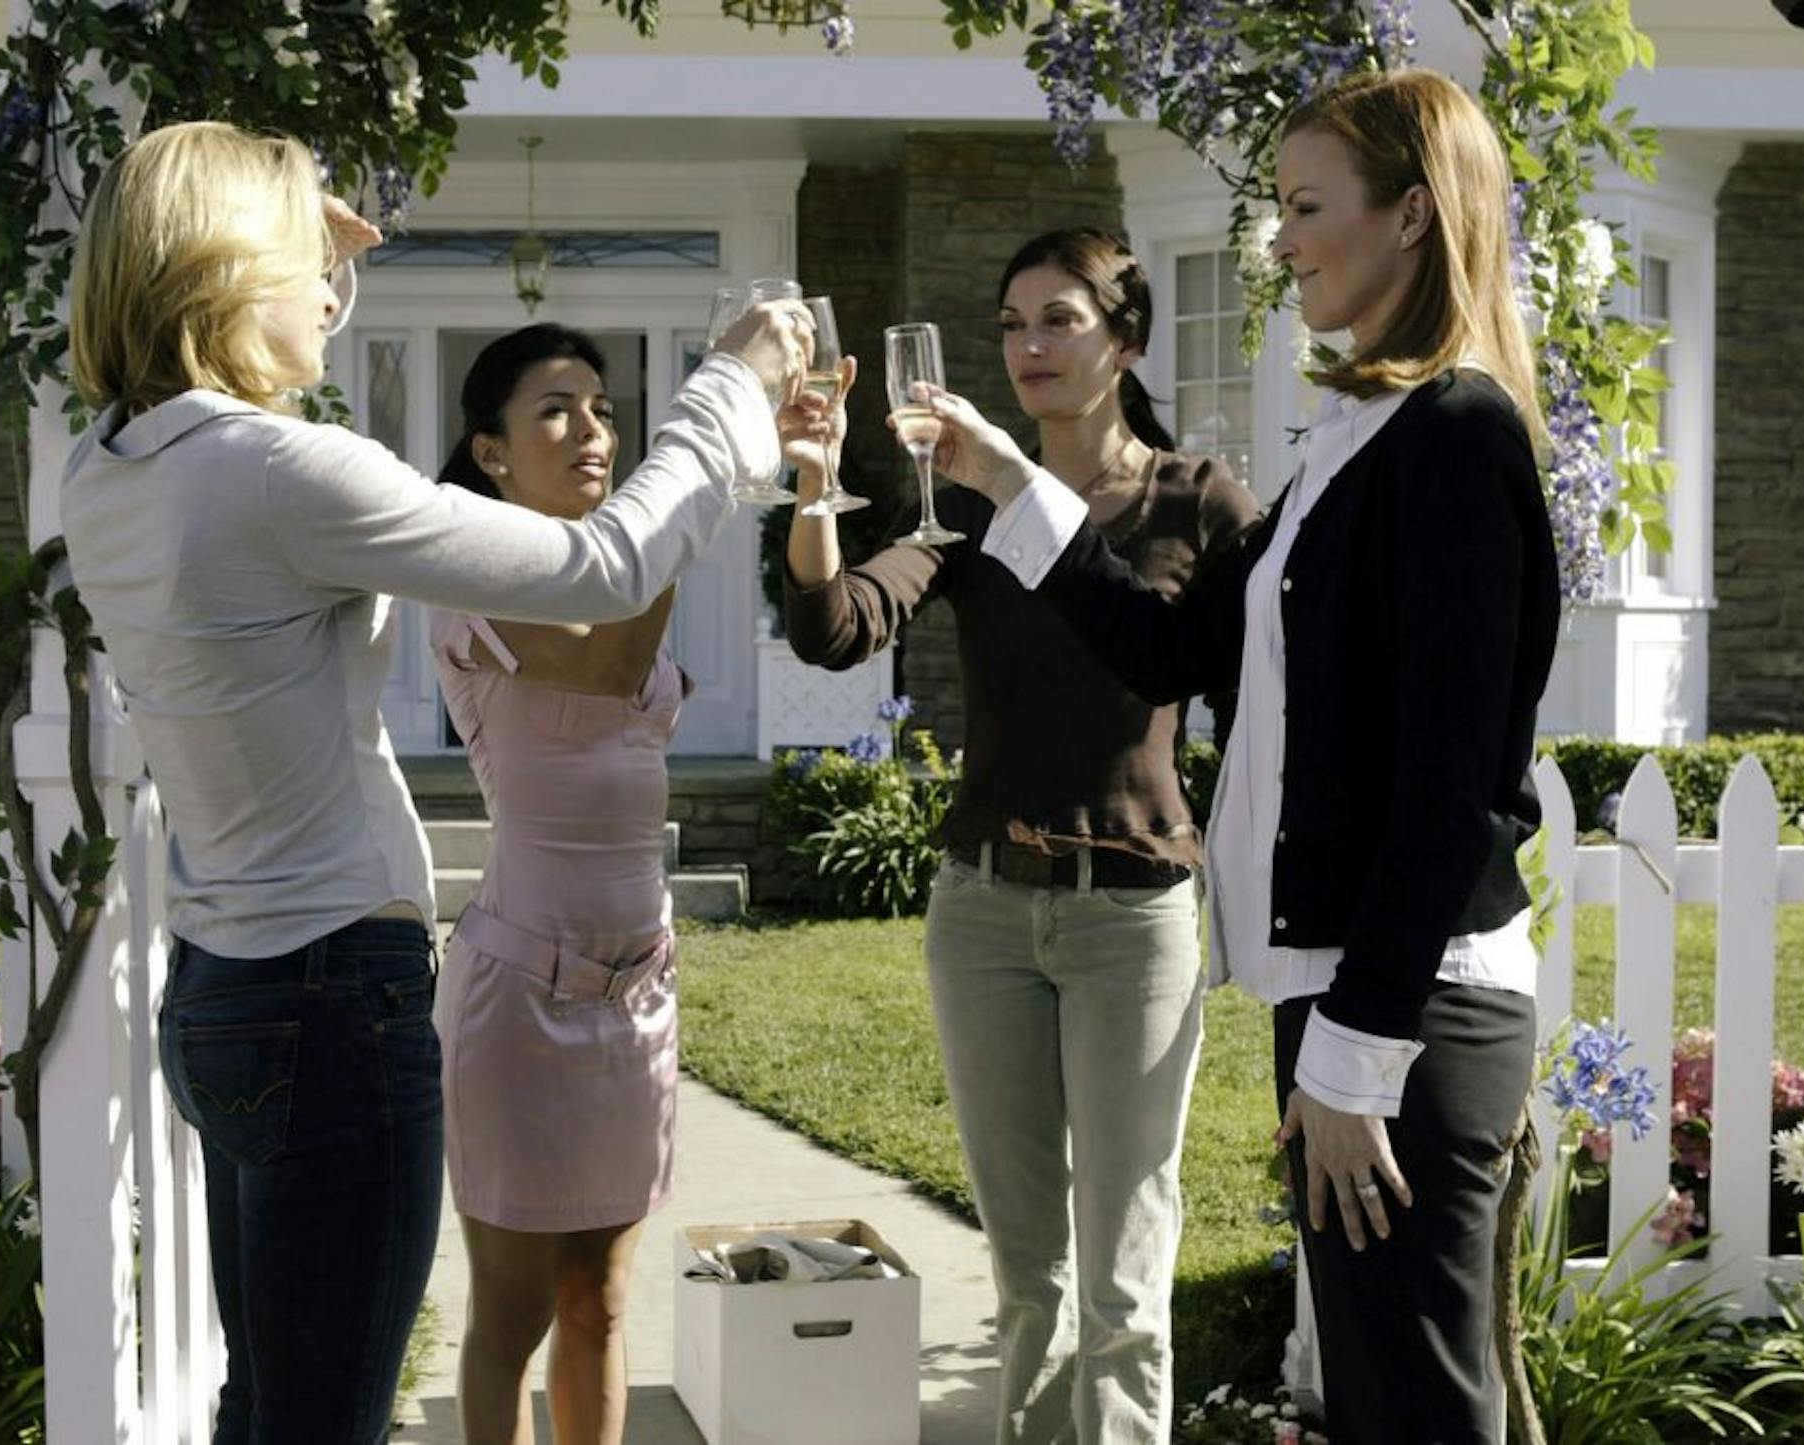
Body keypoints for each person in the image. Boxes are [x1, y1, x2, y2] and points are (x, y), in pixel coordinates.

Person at [60, 120, 810, 1444]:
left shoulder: (111, 469)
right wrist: (725, 385)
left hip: (226, 995)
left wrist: (320, 269)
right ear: (233, 272)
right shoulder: (274, 473)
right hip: (334, 1004)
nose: (331, 297)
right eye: (306, 268)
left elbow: (259, 418)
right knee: (324, 1419)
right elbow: (603, 572)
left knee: (273, 1402)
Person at [925, 72, 1559, 1444]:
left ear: (1411, 216)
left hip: (1410, 1009)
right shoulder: (1353, 442)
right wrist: (1001, 481)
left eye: (1307, 207)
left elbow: (1461, 782)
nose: (1280, 242)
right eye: (1279, 208)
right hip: (1341, 998)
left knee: (1421, 1408)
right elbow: (1165, 648)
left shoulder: (1452, 438)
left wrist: (1358, 1054)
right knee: (1383, 1402)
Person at [783, 229, 1263, 1442]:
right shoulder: (959, 502)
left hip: (1132, 915)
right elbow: (840, 624)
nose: (1029, 345)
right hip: (985, 911)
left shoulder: (1196, 501)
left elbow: (1229, 671)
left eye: (1059, 319)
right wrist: (811, 491)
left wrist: (1010, 482)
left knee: (1121, 1274)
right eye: (1010, 323)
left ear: (1127, 340)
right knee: (1030, 1274)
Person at [426, 324, 690, 1445]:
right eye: (555, 409)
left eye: (602, 409)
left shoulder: (613, 563)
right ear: (490, 450)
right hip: (522, 1002)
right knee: (517, 1312)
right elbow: (607, 662)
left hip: (638, 996)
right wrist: (697, 486)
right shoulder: (472, 573)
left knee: (603, 1301)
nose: (591, 430)